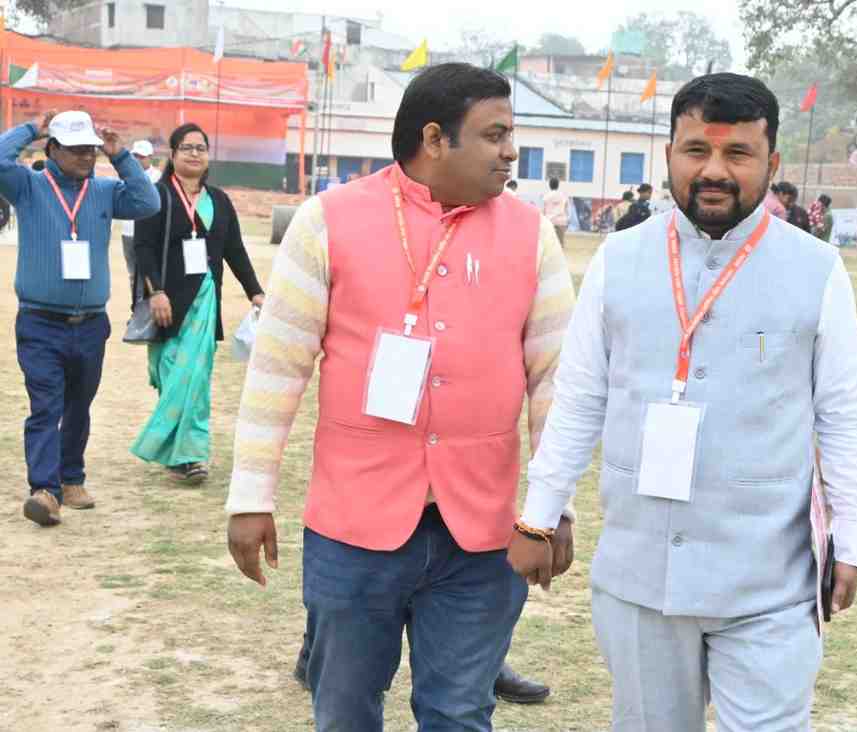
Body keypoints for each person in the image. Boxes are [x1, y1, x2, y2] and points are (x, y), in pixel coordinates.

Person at [508, 73, 857, 731]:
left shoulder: (817, 271)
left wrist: (853, 535)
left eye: (737, 153)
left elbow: (844, 414)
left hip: (769, 582)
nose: (714, 171)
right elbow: (581, 397)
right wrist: (540, 515)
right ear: (669, 155)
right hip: (640, 577)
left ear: (772, 163)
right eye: (696, 151)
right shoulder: (619, 259)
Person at [224, 63, 576, 730]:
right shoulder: (326, 222)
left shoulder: (532, 235)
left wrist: (551, 509)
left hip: (482, 537)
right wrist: (249, 498)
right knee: (345, 712)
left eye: (511, 135)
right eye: (495, 135)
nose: (511, 152)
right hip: (354, 529)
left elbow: (555, 382)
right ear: (435, 139)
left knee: (459, 714)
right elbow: (277, 370)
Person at [0, 110, 159, 527]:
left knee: (79, 406)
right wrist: (30, 129)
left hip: (90, 324)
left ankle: (71, 479)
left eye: (90, 148)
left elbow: (148, 202)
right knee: (45, 405)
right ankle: (45, 490)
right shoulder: (28, 186)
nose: (86, 155)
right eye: (75, 149)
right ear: (52, 148)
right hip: (40, 322)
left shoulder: (104, 191)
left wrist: (120, 156)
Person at [130, 123, 264, 485]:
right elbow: (143, 248)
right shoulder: (156, 196)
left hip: (205, 301)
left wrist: (255, 291)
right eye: (187, 147)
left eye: (200, 148)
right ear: (172, 154)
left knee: (195, 378)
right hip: (167, 303)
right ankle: (174, 450)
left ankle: (190, 455)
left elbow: (235, 250)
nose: (194, 154)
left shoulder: (219, 200)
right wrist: (156, 292)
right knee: (173, 375)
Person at [121, 139, 162, 290]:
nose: (138, 160)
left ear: (150, 157)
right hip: (128, 233)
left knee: (150, 271)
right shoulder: (125, 175)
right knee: (133, 273)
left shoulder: (158, 177)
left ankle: (150, 298)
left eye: (142, 156)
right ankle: (137, 301)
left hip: (150, 234)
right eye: (135, 156)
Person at [541, 176, 569, 244]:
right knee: (560, 243)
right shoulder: (563, 195)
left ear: (549, 185)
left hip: (549, 221)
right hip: (561, 221)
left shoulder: (546, 196)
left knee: (549, 243)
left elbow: (543, 211)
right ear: (558, 185)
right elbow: (566, 209)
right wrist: (566, 219)